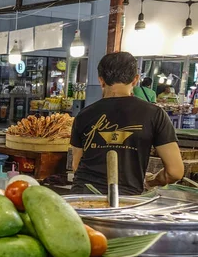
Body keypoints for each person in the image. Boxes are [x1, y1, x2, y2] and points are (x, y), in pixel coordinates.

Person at [70, 52, 184, 196]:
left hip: (83, 197)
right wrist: (150, 181)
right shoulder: (155, 114)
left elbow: (76, 165)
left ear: (101, 80)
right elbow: (175, 172)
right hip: (126, 201)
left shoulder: (83, 115)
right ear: (135, 80)